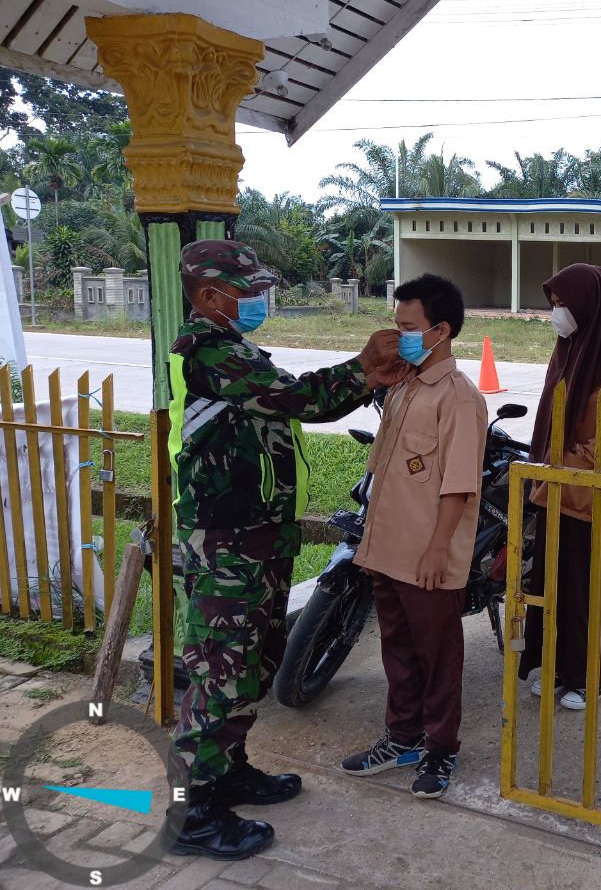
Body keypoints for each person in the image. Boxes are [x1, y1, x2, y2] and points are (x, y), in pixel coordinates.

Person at [169, 239, 407, 859]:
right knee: (218, 674)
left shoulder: (237, 346)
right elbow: (297, 398)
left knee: (252, 660)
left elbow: (297, 399)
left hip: (256, 537)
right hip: (225, 542)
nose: (256, 299)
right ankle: (193, 812)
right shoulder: (208, 351)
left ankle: (231, 770)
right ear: (210, 296)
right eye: (245, 290)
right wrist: (363, 368)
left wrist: (366, 379)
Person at [340, 274, 487, 799]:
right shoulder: (402, 385)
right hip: (386, 548)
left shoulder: (459, 399)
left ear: (440, 330)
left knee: (437, 657)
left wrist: (436, 549)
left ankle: (441, 750)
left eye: (407, 327)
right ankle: (401, 738)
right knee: (398, 652)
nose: (397, 335)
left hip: (428, 556)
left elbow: (459, 485)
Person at [518, 263, 601, 711]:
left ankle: (592, 677)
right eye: (553, 304)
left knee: (587, 590)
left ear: (588, 304)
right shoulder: (567, 349)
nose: (557, 313)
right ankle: (552, 667)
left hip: (589, 494)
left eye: (563, 303)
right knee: (550, 584)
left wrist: (567, 460)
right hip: (554, 491)